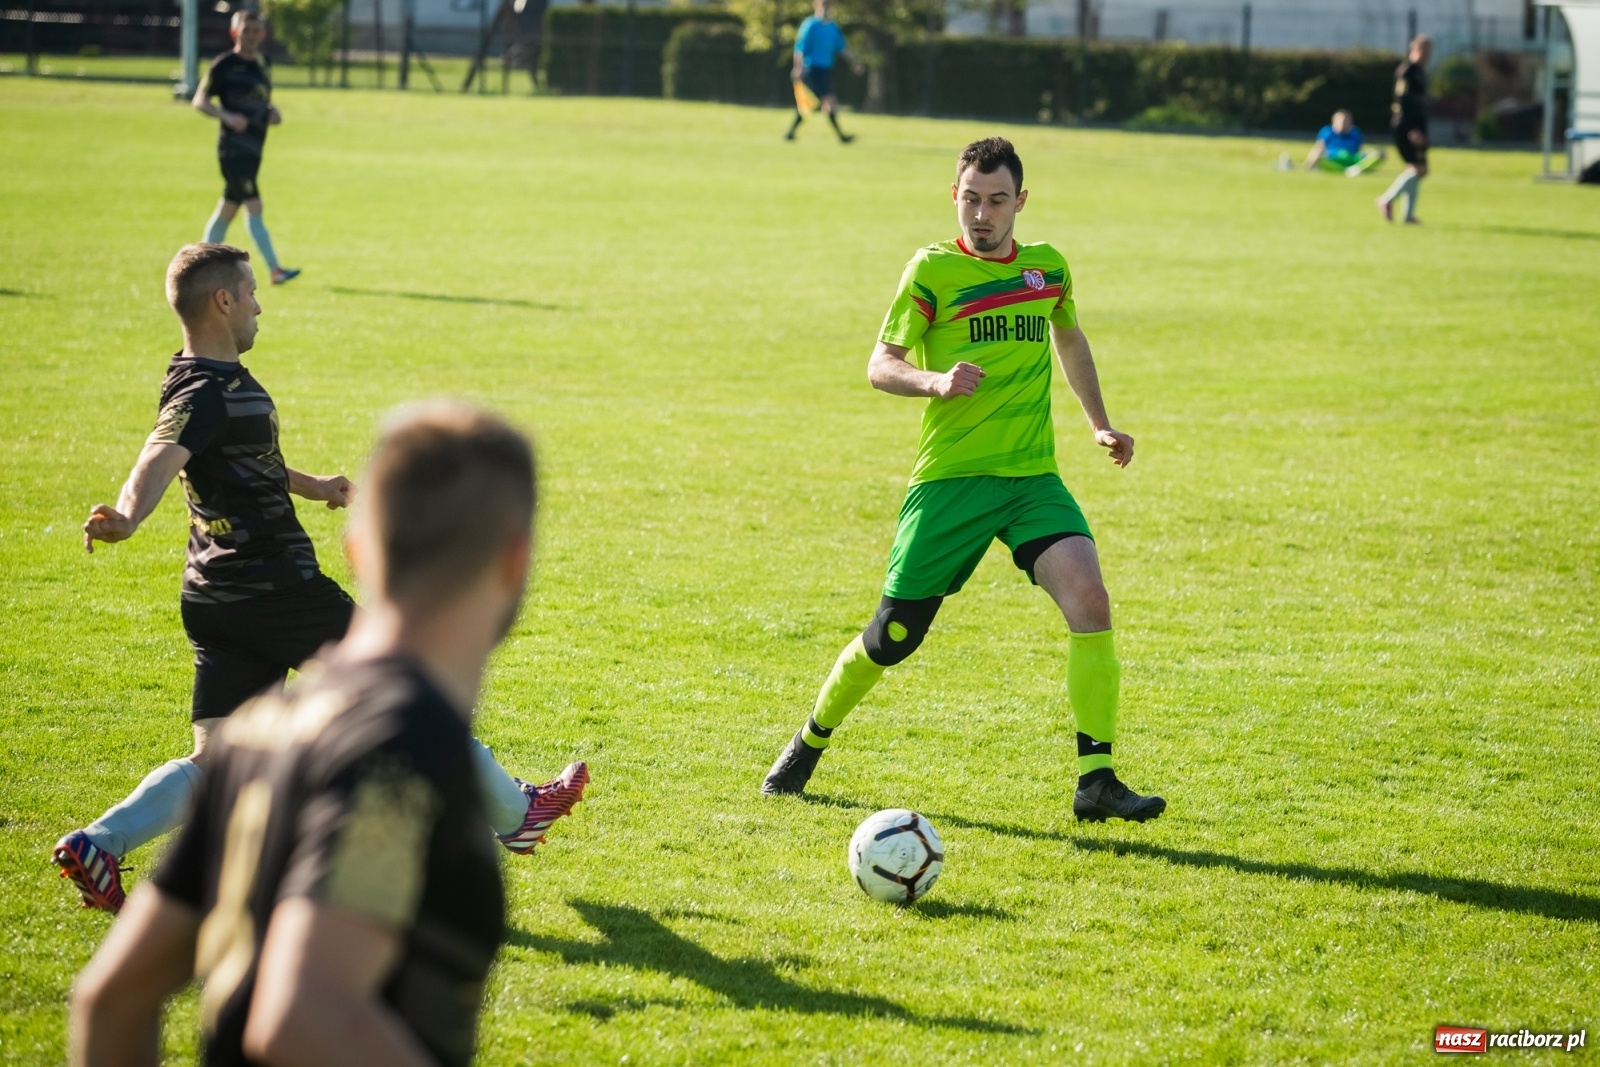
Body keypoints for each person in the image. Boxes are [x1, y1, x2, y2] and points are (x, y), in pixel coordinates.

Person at [53, 244, 586, 915]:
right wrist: (128, 514)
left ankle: (101, 841)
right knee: (412, 683)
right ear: (222, 301)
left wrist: (314, 486)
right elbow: (158, 457)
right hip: (281, 591)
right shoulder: (206, 393)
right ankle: (517, 812)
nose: (258, 304)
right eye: (250, 293)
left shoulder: (203, 377)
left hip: (217, 595)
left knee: (217, 761)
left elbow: (246, 459)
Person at [69, 402, 538, 1067]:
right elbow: (304, 1018)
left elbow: (111, 999)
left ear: (359, 547)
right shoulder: (401, 752)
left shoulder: (256, 734)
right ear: (513, 560)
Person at [761, 137, 1166, 823]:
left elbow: (1069, 338)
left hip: (1032, 477)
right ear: (955, 196)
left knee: (1090, 599)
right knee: (892, 636)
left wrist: (1100, 420)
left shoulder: (1047, 271)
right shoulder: (932, 271)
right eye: (970, 198)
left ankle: (1096, 779)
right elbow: (880, 363)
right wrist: (934, 381)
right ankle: (810, 739)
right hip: (951, 482)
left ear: (1021, 202)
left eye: (996, 200)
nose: (982, 214)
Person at [192, 12, 299, 285]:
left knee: (228, 208)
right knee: (254, 206)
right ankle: (275, 270)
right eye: (246, 30)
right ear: (234, 33)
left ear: (263, 34)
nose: (251, 35)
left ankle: (196, 265)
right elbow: (199, 101)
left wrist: (272, 112)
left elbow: (263, 101)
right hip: (233, 149)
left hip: (254, 149)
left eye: (256, 30)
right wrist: (226, 117)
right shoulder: (224, 65)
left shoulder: (263, 63)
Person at [784, 0, 864, 144]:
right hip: (812, 69)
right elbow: (799, 48)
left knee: (811, 104)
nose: (826, 9)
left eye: (829, 6)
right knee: (829, 101)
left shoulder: (832, 28)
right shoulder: (810, 25)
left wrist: (855, 62)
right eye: (823, 6)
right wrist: (798, 67)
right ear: (817, 6)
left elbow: (842, 47)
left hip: (824, 70)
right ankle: (841, 137)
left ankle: (790, 134)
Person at [1378, 35, 1432, 224]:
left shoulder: (1421, 72)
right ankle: (1387, 200)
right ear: (1414, 49)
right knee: (1418, 169)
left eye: (1429, 50)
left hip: (1418, 126)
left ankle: (1407, 215)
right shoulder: (1406, 72)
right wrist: (1412, 129)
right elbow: (1401, 101)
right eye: (1423, 50)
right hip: (1407, 126)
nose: (1427, 54)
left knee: (1418, 170)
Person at [1302, 109, 1384, 175]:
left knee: (1379, 153)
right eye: (1341, 121)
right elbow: (1319, 147)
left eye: (1346, 121)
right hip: (1334, 160)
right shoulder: (1327, 132)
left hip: (1352, 159)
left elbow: (1359, 150)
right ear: (1334, 121)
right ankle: (1351, 171)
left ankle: (1356, 169)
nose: (1343, 124)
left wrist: (1368, 154)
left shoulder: (1355, 132)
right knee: (1316, 154)